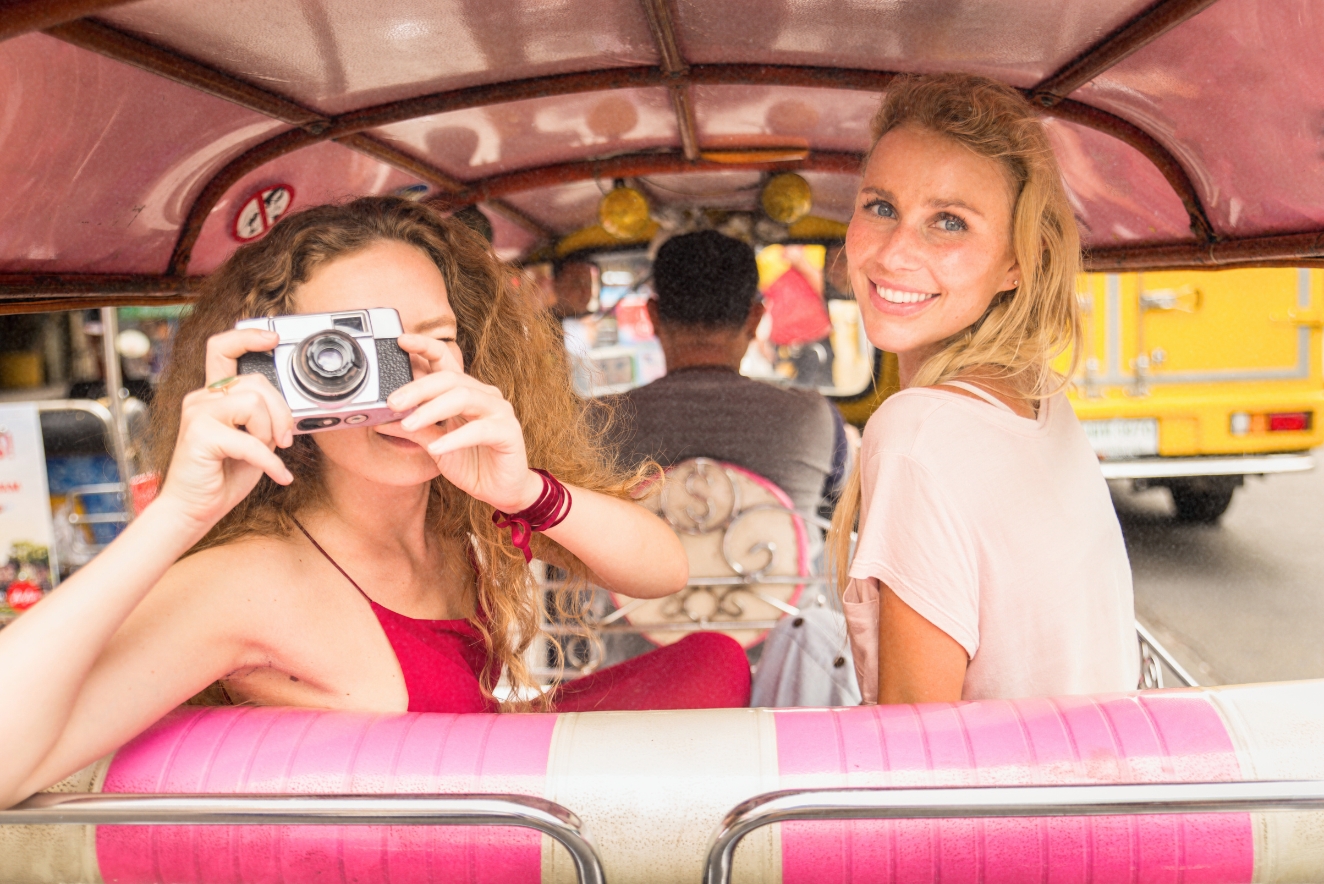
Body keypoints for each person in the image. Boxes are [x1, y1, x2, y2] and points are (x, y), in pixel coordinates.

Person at [0, 197, 752, 809]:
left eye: (429, 343)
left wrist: (528, 492)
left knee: (713, 661)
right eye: (348, 354)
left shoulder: (462, 511)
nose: (398, 390)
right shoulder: (253, 580)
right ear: (271, 370)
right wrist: (176, 518)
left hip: (497, 809)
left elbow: (665, 572)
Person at [830, 73, 1138, 705]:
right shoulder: (1039, 398)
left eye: (949, 222)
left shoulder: (918, 431)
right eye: (881, 207)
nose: (894, 254)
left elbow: (917, 756)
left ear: (1016, 261)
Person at [611, 230, 844, 517]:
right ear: (755, 319)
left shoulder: (601, 423)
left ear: (653, 316)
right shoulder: (813, 416)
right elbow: (848, 499)